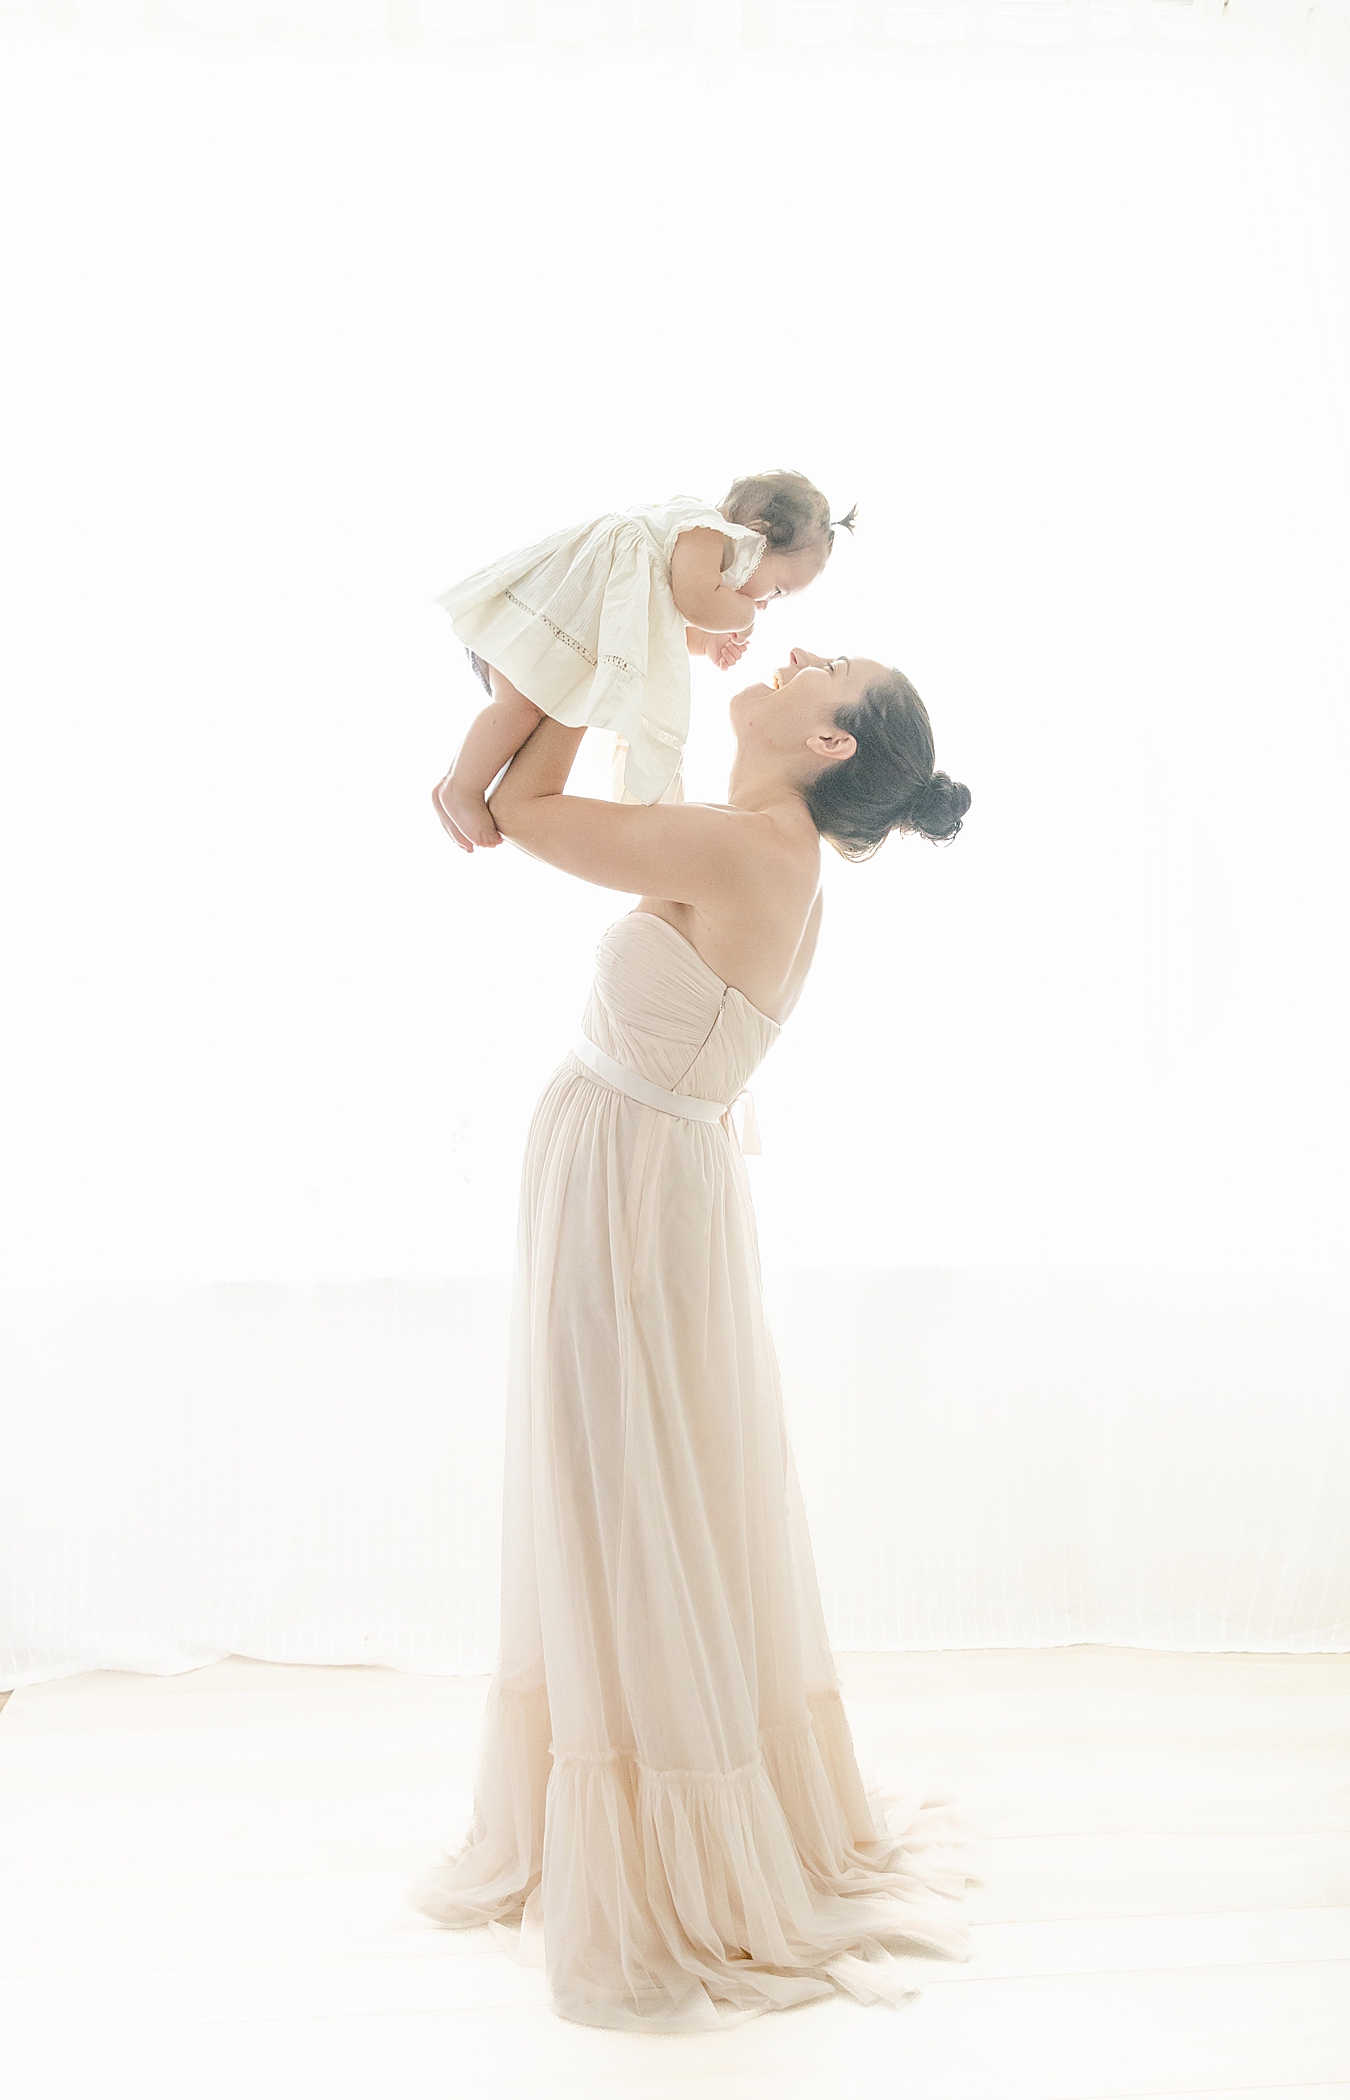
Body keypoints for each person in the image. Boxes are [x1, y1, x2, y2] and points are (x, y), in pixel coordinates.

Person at [419, 649, 971, 2030]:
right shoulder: (759, 844)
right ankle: (642, 1799)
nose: (790, 657)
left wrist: (561, 668)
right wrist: (554, 681)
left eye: (820, 669)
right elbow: (520, 801)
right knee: (630, 1482)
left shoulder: (746, 847)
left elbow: (519, 811)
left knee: (626, 1485)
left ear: (833, 745)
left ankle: (663, 1840)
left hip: (634, 1188)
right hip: (639, 1174)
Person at [432, 471, 854, 846]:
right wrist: (741, 616)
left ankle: (458, 781)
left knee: (532, 712)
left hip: (559, 638)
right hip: (541, 622)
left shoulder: (693, 562)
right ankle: (462, 788)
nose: (764, 604)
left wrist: (705, 645)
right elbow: (693, 600)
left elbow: (657, 631)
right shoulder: (704, 529)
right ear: (759, 533)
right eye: (777, 590)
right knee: (518, 707)